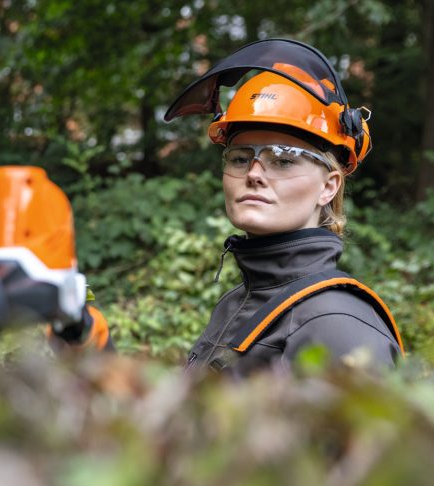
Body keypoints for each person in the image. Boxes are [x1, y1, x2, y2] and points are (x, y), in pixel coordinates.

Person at [165, 38, 403, 375]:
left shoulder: (337, 326)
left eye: (283, 160)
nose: (254, 174)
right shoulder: (237, 301)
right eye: (240, 157)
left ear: (329, 186)